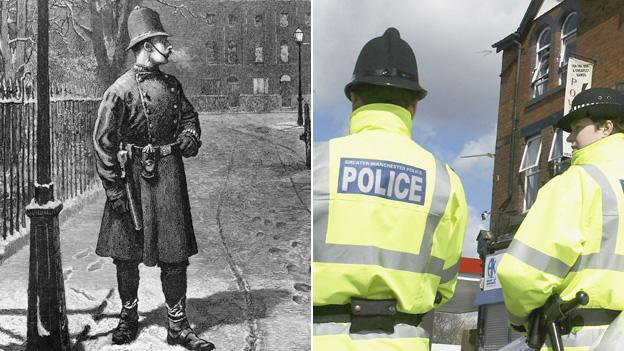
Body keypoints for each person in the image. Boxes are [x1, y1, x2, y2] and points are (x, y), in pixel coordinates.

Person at [312, 27, 468, 350]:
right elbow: (445, 285)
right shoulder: (445, 182)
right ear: (414, 106)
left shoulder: (319, 163)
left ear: (355, 98)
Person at [92, 6, 214, 350]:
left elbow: (190, 117)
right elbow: (102, 142)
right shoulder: (120, 90)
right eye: (163, 41)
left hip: (169, 177)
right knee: (126, 255)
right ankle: (129, 316)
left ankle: (177, 325)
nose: (169, 46)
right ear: (147, 45)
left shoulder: (173, 86)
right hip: (132, 181)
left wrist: (190, 135)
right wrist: (114, 190)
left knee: (175, 256)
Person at [497, 87, 624, 350]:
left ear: (606, 127)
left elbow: (522, 274)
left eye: (577, 127)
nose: (570, 139)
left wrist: (521, 320)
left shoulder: (575, 183)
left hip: (578, 336)